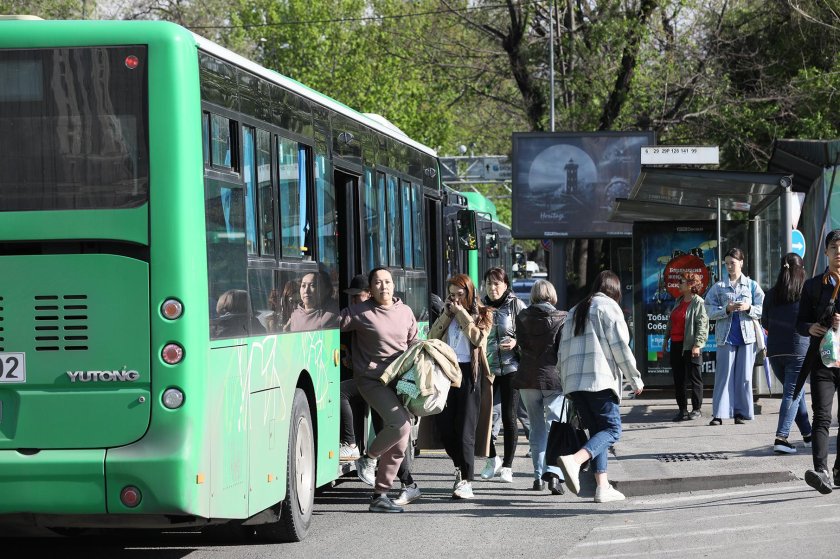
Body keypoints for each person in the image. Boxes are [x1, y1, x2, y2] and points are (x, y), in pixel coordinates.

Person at [556, 270, 644, 503]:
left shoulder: (575, 310)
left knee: (597, 433)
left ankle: (602, 487)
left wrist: (565, 382)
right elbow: (620, 347)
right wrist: (635, 378)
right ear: (615, 291)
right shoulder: (609, 307)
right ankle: (575, 460)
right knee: (613, 430)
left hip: (575, 384)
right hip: (600, 381)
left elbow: (562, 352)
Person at [339, 267, 418, 512]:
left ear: (394, 285)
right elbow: (330, 323)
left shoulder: (405, 311)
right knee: (401, 424)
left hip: (400, 381)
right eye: (377, 282)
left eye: (387, 281)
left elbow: (414, 342)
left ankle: (379, 496)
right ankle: (368, 457)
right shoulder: (359, 311)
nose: (383, 286)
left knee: (401, 437)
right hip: (372, 381)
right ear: (370, 289)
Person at [429, 273, 493, 499]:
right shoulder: (447, 313)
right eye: (451, 295)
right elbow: (431, 337)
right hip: (446, 374)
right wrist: (447, 314)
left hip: (469, 375)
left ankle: (466, 480)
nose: (455, 299)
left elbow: (478, 339)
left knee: (466, 430)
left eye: (460, 294)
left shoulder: (484, 314)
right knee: (445, 429)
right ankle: (460, 467)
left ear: (469, 293)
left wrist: (462, 314)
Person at [514, 279, 567, 494]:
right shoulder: (562, 318)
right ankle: (554, 474)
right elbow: (563, 350)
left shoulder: (522, 317)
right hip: (554, 379)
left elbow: (520, 346)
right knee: (555, 427)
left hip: (527, 379)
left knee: (536, 429)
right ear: (552, 295)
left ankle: (538, 477)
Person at [797, 230, 840, 494]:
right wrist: (810, 326)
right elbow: (799, 323)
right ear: (826, 252)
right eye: (834, 248)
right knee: (822, 416)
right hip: (823, 361)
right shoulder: (813, 285)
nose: (839, 253)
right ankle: (822, 471)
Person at [704, 248, 764, 425]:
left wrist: (749, 308)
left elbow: (762, 308)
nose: (730, 266)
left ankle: (741, 413)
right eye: (727, 263)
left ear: (741, 263)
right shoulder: (719, 287)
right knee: (724, 375)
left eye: (733, 263)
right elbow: (708, 310)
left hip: (747, 338)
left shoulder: (752, 286)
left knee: (744, 377)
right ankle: (719, 414)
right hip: (726, 337)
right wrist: (726, 309)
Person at [479, 267, 527, 483]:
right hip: (487, 369)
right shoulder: (480, 306)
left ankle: (507, 466)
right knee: (483, 417)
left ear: (506, 285)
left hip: (510, 368)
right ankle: (492, 459)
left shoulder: (516, 305)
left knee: (509, 417)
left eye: (497, 283)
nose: (492, 287)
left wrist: (517, 342)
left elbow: (528, 334)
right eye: (489, 283)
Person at [763, 253, 812, 454]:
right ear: (801, 271)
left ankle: (808, 435)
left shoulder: (770, 295)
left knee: (794, 393)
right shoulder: (806, 293)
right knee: (792, 394)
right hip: (798, 350)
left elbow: (765, 322)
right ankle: (781, 438)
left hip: (775, 352)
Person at [662, 272, 709, 421]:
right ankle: (682, 410)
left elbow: (702, 325)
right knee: (679, 379)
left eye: (681, 282)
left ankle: (696, 409)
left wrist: (697, 345)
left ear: (690, 284)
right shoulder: (679, 301)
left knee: (695, 378)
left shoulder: (699, 302)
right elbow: (671, 322)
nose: (678, 285)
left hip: (691, 345)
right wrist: (666, 339)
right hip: (676, 345)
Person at [338, 274, 372, 463]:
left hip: (374, 378)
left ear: (368, 294)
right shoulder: (360, 311)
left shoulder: (363, 314)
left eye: (356, 296)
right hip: (367, 375)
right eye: (350, 296)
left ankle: (351, 444)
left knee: (340, 392)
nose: (352, 300)